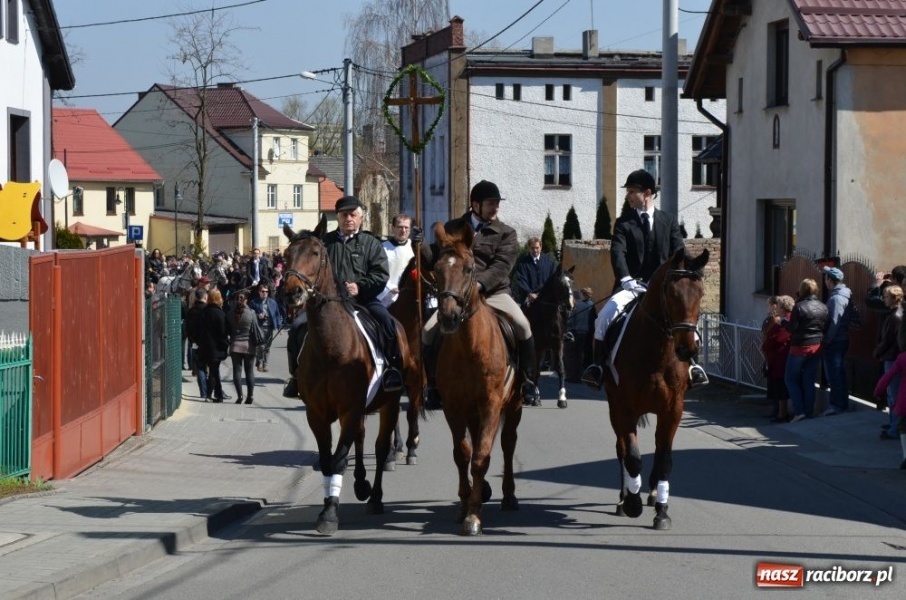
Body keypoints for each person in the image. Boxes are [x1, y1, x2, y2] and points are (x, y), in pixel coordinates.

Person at [421, 179, 541, 408]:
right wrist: (420, 245)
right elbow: (436, 261)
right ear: (475, 205)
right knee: (427, 331)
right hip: (457, 294)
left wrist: (478, 286)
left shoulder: (506, 233)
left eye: (497, 203)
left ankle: (527, 382)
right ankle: (433, 386)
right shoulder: (453, 227)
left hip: (493, 293)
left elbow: (501, 267)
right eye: (491, 203)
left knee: (523, 325)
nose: (495, 208)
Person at [582, 169, 706, 388]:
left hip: (663, 288)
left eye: (632, 191)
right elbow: (617, 252)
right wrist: (626, 279)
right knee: (603, 319)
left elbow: (678, 251)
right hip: (631, 287)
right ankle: (598, 367)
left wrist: (691, 266)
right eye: (628, 191)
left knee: (687, 321)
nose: (628, 196)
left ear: (647, 193)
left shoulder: (668, 221)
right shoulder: (623, 223)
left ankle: (694, 365)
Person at [283, 196, 403, 397]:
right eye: (344, 215)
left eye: (353, 214)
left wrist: (360, 287)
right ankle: (296, 376)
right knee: (297, 328)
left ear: (360, 217)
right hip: (328, 302)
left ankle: (393, 370)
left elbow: (380, 274)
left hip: (362, 300)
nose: (349, 218)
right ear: (337, 218)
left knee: (387, 323)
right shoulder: (324, 243)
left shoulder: (371, 243)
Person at [784, 278, 828, 422]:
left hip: (800, 346)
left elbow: (792, 328)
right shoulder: (823, 306)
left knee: (790, 378)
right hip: (817, 345)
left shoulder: (799, 307)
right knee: (809, 380)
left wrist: (782, 322)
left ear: (801, 290)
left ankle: (799, 411)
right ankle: (808, 412)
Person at [821, 266, 853, 416]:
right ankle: (840, 404)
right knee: (837, 372)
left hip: (835, 341)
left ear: (830, 280)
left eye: (826, 278)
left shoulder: (836, 298)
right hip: (840, 339)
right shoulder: (842, 294)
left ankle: (837, 406)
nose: (825, 281)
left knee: (834, 374)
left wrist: (826, 341)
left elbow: (834, 322)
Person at [874, 284, 903, 439]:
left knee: (893, 394)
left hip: (892, 357)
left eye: (885, 297)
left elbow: (888, 340)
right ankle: (893, 424)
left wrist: (878, 351)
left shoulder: (895, 317)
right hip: (892, 356)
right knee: (892, 394)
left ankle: (895, 428)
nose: (883, 299)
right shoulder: (894, 314)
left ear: (893, 299)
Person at [762, 295, 794, 423]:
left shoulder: (784, 321)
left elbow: (777, 338)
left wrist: (766, 344)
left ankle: (782, 414)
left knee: (780, 388)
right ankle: (779, 413)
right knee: (778, 387)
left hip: (780, 358)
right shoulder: (786, 320)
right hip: (780, 357)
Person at [872, 350, 906, 470]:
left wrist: (878, 390)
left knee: (903, 426)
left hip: (904, 401)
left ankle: (905, 455)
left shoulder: (902, 358)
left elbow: (889, 376)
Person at [195, 288, 230, 402]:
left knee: (214, 371)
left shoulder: (203, 312)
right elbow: (223, 333)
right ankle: (213, 395)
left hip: (205, 346)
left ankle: (215, 394)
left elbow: (198, 330)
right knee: (214, 372)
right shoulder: (220, 314)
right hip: (216, 348)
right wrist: (225, 346)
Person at [378, 213, 416, 308]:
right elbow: (377, 271)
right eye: (400, 227)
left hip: (408, 295)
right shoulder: (382, 248)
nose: (403, 230)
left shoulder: (415, 248)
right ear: (393, 228)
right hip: (386, 294)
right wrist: (390, 287)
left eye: (406, 227)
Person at [228, 289, 257, 404]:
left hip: (235, 345)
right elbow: (255, 328)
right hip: (249, 345)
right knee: (249, 371)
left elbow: (228, 328)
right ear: (246, 300)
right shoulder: (251, 313)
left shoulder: (230, 313)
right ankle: (250, 396)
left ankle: (239, 396)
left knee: (237, 371)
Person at [514, 236, 557, 307]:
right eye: (532, 248)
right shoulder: (523, 263)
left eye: (537, 248)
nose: (535, 250)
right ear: (529, 248)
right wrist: (529, 293)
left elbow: (554, 277)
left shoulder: (549, 262)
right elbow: (521, 280)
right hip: (529, 299)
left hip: (546, 298)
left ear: (541, 247)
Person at [249, 282, 282, 372]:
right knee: (260, 346)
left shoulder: (272, 302)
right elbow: (249, 314)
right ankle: (259, 362)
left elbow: (277, 315)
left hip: (270, 327)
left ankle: (265, 364)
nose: (265, 293)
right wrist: (257, 315)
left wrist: (279, 326)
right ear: (259, 292)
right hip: (259, 326)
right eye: (263, 291)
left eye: (266, 291)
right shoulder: (254, 302)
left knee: (267, 347)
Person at [185, 287, 210, 399]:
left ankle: (203, 393)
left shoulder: (190, 311)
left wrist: (192, 339)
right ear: (205, 297)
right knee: (209, 368)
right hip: (207, 343)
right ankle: (209, 391)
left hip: (195, 343)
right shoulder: (208, 310)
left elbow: (188, 328)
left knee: (200, 368)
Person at [567, 287, 595, 368]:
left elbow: (571, 319)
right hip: (589, 332)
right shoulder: (592, 304)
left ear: (582, 294)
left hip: (579, 331)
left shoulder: (578, 305)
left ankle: (576, 370)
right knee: (588, 350)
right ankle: (587, 367)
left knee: (577, 352)